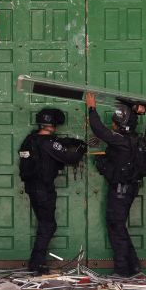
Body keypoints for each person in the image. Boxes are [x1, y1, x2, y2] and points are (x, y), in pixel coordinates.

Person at [85, 92, 146, 277]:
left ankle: (122, 269)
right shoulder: (134, 139)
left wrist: (91, 107)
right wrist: (136, 110)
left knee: (115, 227)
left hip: (121, 190)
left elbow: (98, 130)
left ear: (119, 124)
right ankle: (133, 266)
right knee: (119, 226)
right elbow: (129, 122)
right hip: (129, 187)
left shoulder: (120, 140)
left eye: (114, 122)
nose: (112, 124)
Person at [18, 108, 87, 275]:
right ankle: (36, 264)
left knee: (45, 224)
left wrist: (64, 142)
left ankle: (36, 263)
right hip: (43, 189)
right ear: (54, 124)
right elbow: (70, 158)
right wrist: (81, 148)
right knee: (48, 225)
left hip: (32, 187)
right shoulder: (48, 143)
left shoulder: (30, 140)